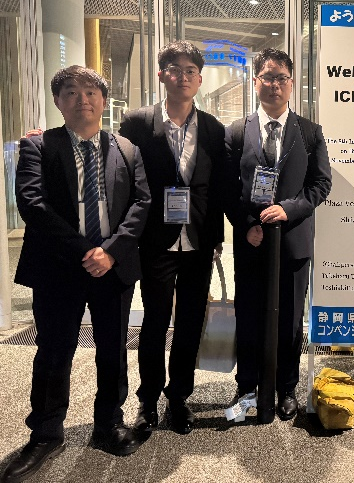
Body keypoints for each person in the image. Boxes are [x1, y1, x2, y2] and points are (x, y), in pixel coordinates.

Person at [2, 66, 150, 483]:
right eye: (70, 92)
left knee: (113, 349)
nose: (82, 99)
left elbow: (141, 203)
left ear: (103, 101)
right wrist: (87, 251)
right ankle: (46, 433)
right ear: (58, 101)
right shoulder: (38, 145)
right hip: (58, 267)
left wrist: (111, 252)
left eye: (90, 92)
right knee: (54, 350)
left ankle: (109, 423)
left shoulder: (127, 149)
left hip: (113, 268)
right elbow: (33, 205)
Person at [119, 41, 226, 436]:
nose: (183, 77)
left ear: (199, 79)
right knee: (155, 320)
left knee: (191, 321)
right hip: (155, 239)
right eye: (175, 69)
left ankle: (179, 397)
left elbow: (217, 188)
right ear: (162, 74)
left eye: (190, 71)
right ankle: (148, 399)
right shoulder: (137, 122)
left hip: (198, 239)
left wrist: (217, 237)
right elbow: (119, 171)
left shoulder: (213, 128)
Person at [224, 48, 331, 422]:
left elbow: (320, 184)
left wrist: (289, 209)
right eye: (267, 77)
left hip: (293, 241)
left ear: (291, 83)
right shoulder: (237, 131)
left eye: (281, 78)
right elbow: (226, 188)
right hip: (252, 241)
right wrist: (245, 224)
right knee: (248, 316)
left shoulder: (309, 132)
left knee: (290, 320)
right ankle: (247, 387)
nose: (274, 85)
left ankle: (287, 388)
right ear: (255, 82)